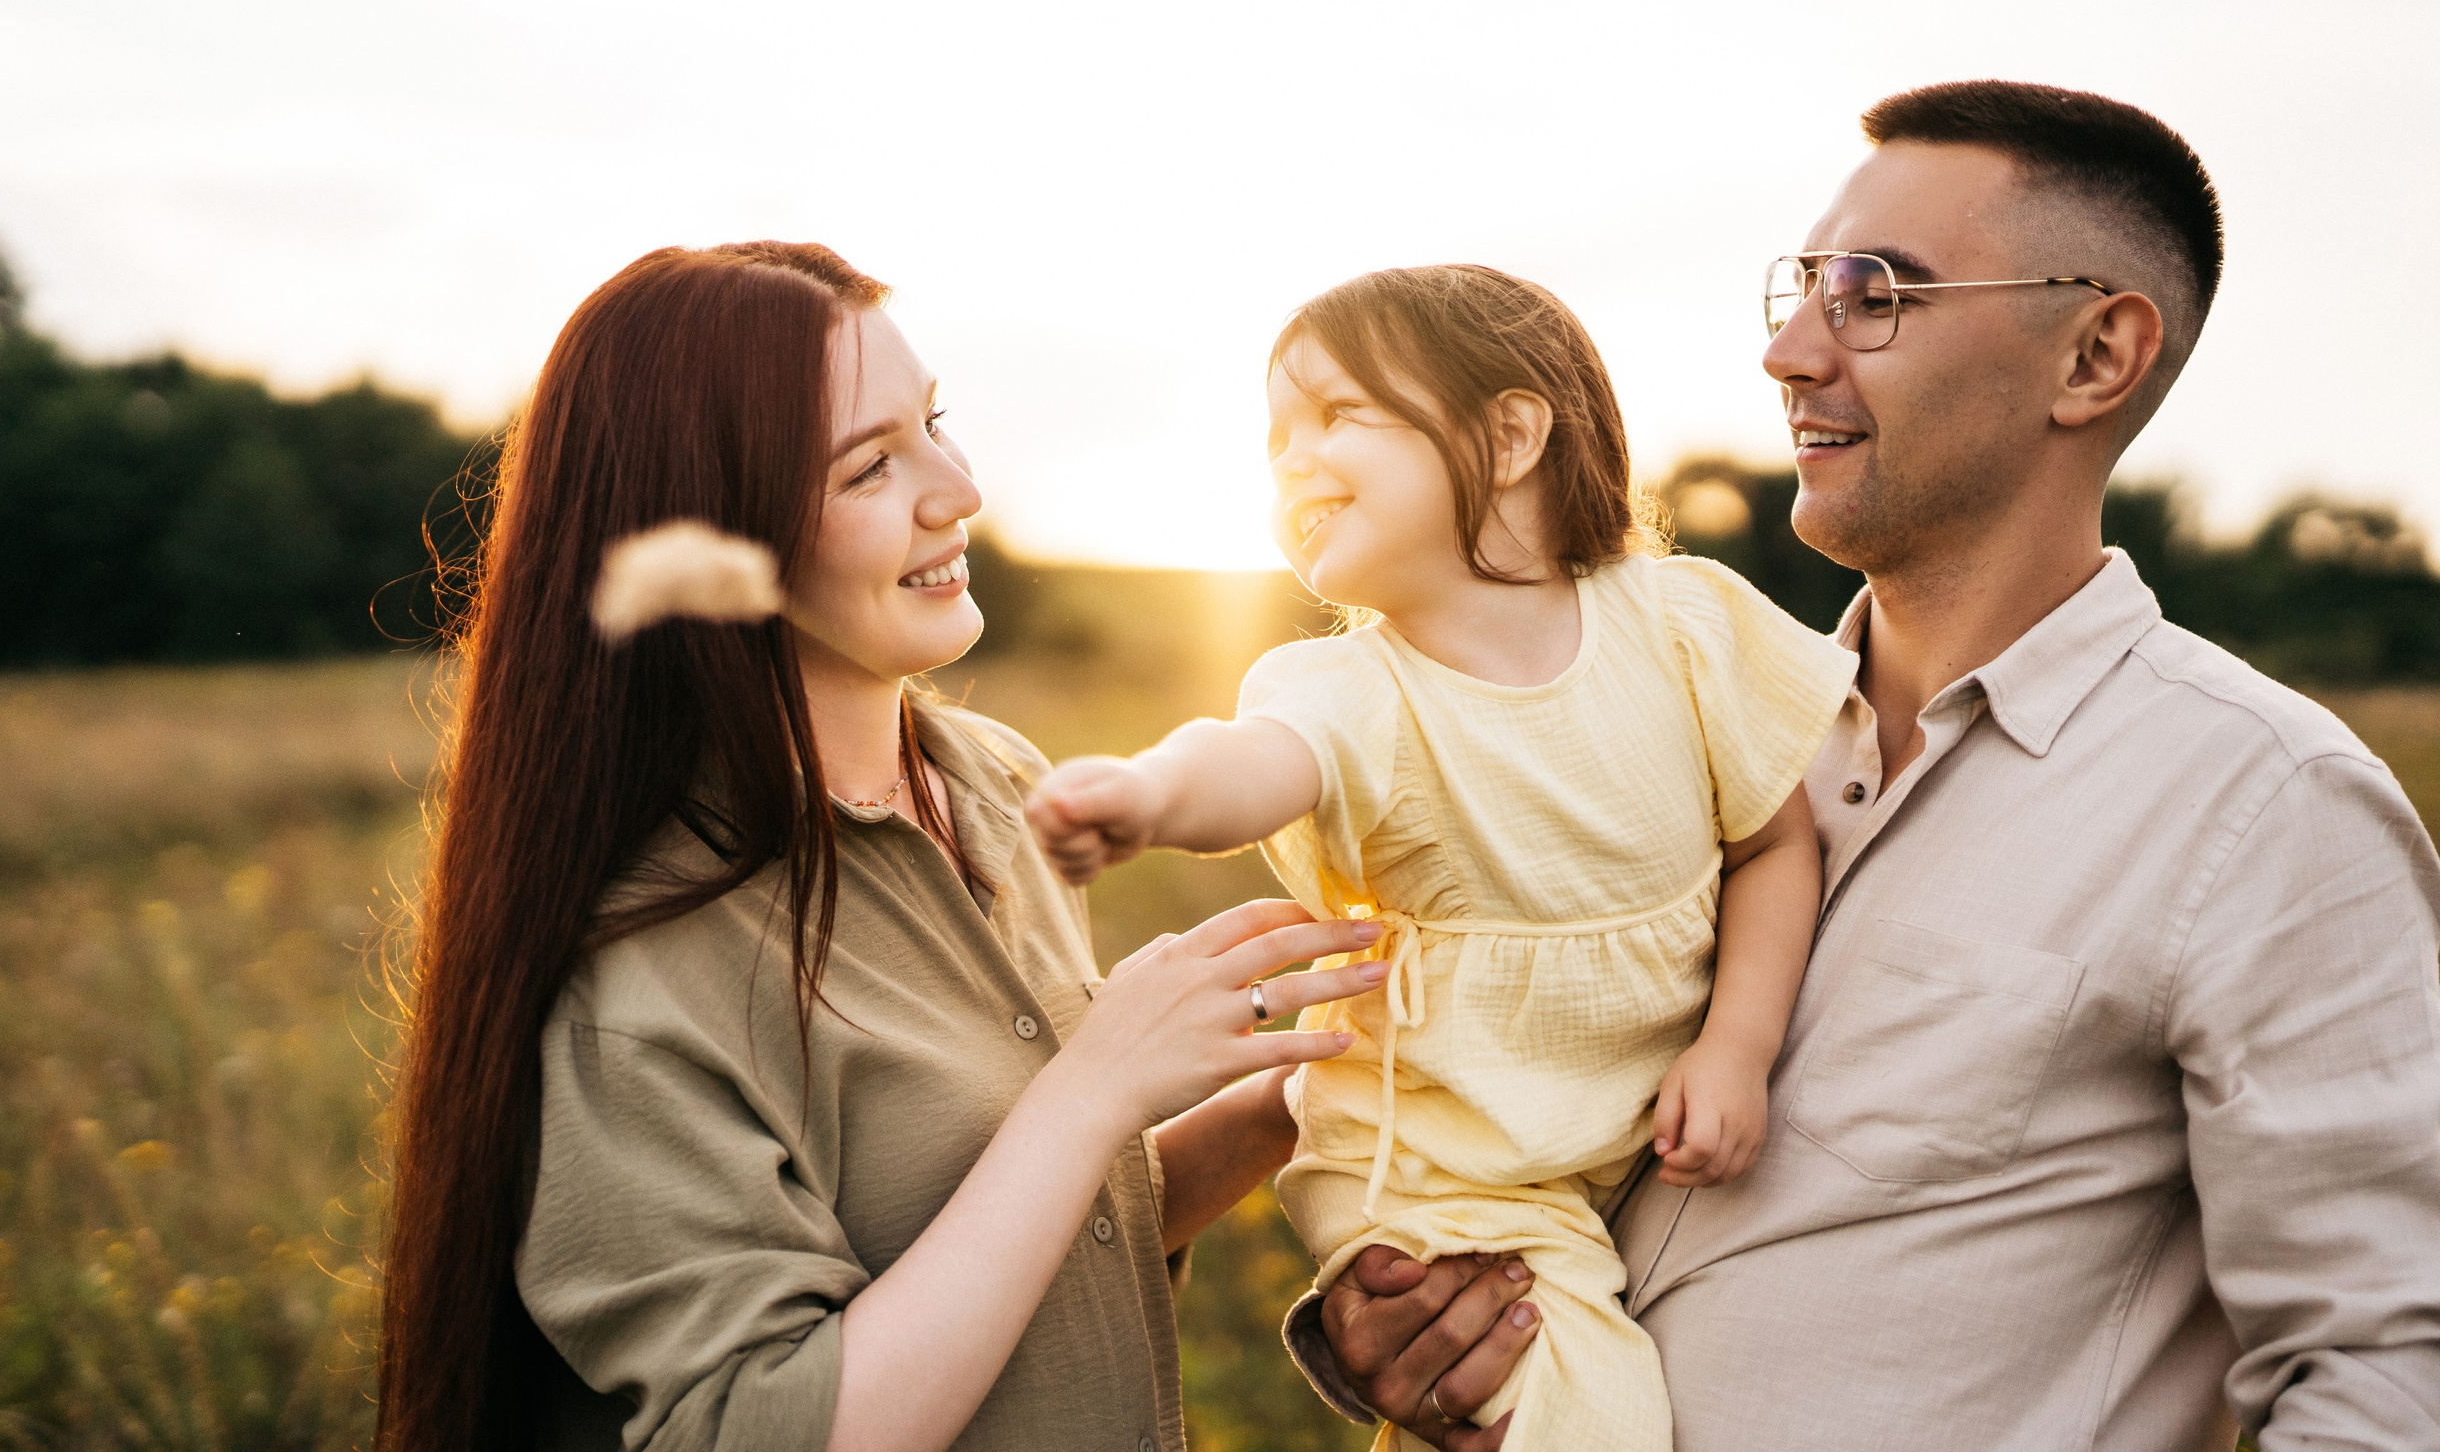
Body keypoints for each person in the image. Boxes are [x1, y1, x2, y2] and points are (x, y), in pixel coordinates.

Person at [1289, 81, 2440, 1451]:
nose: (1788, 351)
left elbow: (2385, 1372)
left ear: (2095, 356)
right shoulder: (1659, 707)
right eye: (1800, 287)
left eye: (1872, 293)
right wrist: (1406, 1325)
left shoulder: (2269, 806)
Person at [375, 241, 1387, 1452]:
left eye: (935, 423)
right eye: (870, 466)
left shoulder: (995, 785)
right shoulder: (637, 972)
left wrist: (1294, 1093)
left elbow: (1029, 1236)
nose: (956, 489)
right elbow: (764, 1427)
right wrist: (1095, 1085)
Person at [1024, 265, 1857, 1451]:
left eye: (1337, 416)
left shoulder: (1678, 625)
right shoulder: (1355, 690)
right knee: (1595, 1423)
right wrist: (1149, 792)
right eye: (1274, 440)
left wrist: (1737, 1046)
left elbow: (1774, 843)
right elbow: (1252, 759)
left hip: (1622, 1138)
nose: (1290, 462)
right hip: (1451, 1171)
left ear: (1512, 433)